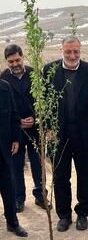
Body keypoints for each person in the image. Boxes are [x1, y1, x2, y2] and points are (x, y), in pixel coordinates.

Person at [44, 35, 88, 232]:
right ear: (62, 50)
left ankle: (82, 213)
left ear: (80, 51)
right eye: (68, 51)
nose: (72, 55)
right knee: (60, 177)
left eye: (76, 51)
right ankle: (64, 215)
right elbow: (44, 100)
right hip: (59, 135)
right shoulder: (49, 70)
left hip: (84, 133)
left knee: (85, 176)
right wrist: (49, 127)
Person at [1, 44, 48, 213]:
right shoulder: (3, 78)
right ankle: (19, 198)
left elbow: (44, 100)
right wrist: (17, 121)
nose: (14, 64)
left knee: (38, 164)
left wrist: (36, 118)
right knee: (16, 165)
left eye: (17, 59)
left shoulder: (36, 74)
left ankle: (41, 196)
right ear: (7, 62)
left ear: (23, 57)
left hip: (35, 129)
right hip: (15, 131)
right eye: (10, 61)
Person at [0, 78, 28, 237]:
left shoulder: (5, 87)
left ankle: (12, 223)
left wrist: (16, 139)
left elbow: (14, 115)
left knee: (8, 188)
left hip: (3, 147)